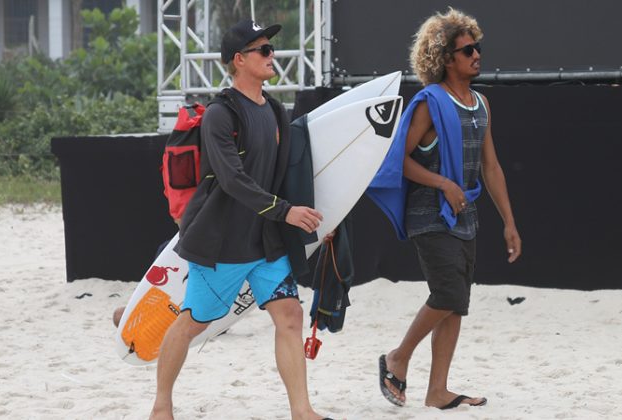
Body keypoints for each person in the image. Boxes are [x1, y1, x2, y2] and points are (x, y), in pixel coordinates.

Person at [149, 19, 332, 420]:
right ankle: (162, 404)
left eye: (271, 49)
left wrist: (319, 217)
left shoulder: (277, 112)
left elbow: (288, 175)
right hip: (224, 244)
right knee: (193, 322)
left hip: (266, 243)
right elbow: (232, 180)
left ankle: (302, 411)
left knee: (290, 315)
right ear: (239, 60)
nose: (273, 56)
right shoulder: (221, 114)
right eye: (263, 50)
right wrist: (286, 211)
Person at [366, 8, 522, 410]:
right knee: (449, 291)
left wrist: (509, 222)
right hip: (429, 213)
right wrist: (443, 183)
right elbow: (395, 161)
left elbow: (492, 167)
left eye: (477, 47)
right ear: (445, 59)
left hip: (465, 214)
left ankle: (438, 391)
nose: (476, 55)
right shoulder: (428, 104)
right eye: (467, 49)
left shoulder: (481, 103)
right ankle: (398, 357)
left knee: (457, 303)